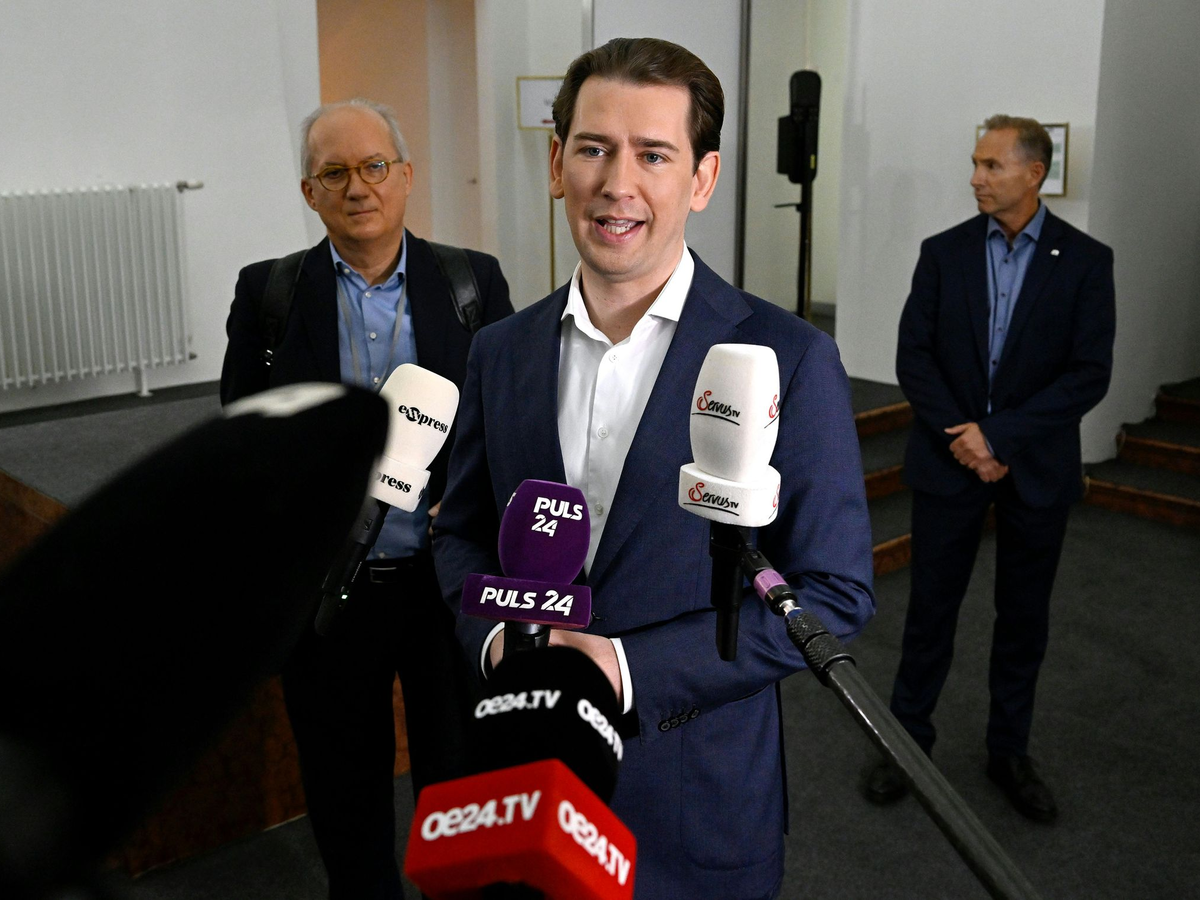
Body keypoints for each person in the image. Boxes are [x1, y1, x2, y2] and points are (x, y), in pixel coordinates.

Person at [432, 38, 874, 899]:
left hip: (693, 802)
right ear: (556, 164)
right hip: (526, 777)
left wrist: (623, 668)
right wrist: (496, 640)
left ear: (703, 179)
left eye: (654, 155)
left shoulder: (789, 356)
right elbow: (462, 536)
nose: (617, 183)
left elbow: (833, 590)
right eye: (594, 148)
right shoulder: (499, 350)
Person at [220, 98, 513, 900]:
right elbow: (243, 434)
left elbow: (510, 419)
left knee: (460, 783)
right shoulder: (270, 293)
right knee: (344, 789)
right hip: (329, 589)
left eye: (375, 166)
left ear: (407, 176)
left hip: (446, 584)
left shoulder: (472, 282)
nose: (359, 187)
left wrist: (478, 507)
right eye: (335, 172)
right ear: (309, 192)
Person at [864, 115, 1116, 823]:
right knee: (929, 613)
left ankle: (1009, 752)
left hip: (1035, 469)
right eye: (976, 163)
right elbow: (915, 356)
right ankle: (907, 744)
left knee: (1023, 619)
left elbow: (1088, 374)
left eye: (991, 166)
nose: (975, 177)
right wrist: (966, 440)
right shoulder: (942, 253)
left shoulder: (1087, 262)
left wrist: (997, 437)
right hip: (949, 464)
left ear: (1034, 174)